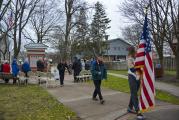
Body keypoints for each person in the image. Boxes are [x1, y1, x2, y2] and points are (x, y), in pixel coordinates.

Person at [127, 47, 144, 120]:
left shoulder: (137, 59)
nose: (136, 53)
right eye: (135, 52)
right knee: (134, 94)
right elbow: (132, 69)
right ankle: (138, 112)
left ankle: (130, 107)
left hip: (137, 77)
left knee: (134, 93)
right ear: (132, 52)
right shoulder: (129, 59)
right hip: (132, 77)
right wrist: (140, 66)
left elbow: (139, 69)